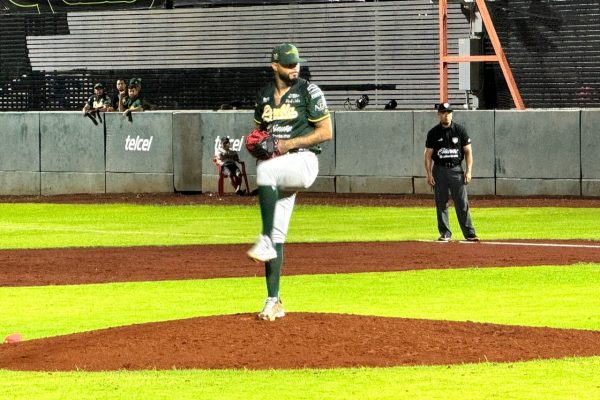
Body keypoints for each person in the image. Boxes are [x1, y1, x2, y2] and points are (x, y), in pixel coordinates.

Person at [246, 43, 332, 321]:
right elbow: (259, 134)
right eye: (289, 64)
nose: (295, 67)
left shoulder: (309, 91)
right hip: (280, 167)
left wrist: (288, 144)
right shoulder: (263, 96)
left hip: (304, 161)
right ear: (275, 66)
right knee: (278, 234)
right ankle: (274, 300)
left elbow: (326, 132)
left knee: (266, 172)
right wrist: (258, 145)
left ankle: (264, 240)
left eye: (297, 63)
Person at [424, 102, 479, 242]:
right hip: (440, 170)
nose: (446, 115)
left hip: (456, 170)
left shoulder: (460, 130)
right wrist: (429, 173)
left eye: (448, 113)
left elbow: (468, 151)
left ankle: (469, 233)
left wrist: (468, 171)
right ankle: (445, 233)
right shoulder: (433, 132)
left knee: (462, 203)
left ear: (452, 114)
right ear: (439, 114)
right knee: (441, 203)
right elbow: (428, 154)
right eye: (443, 113)